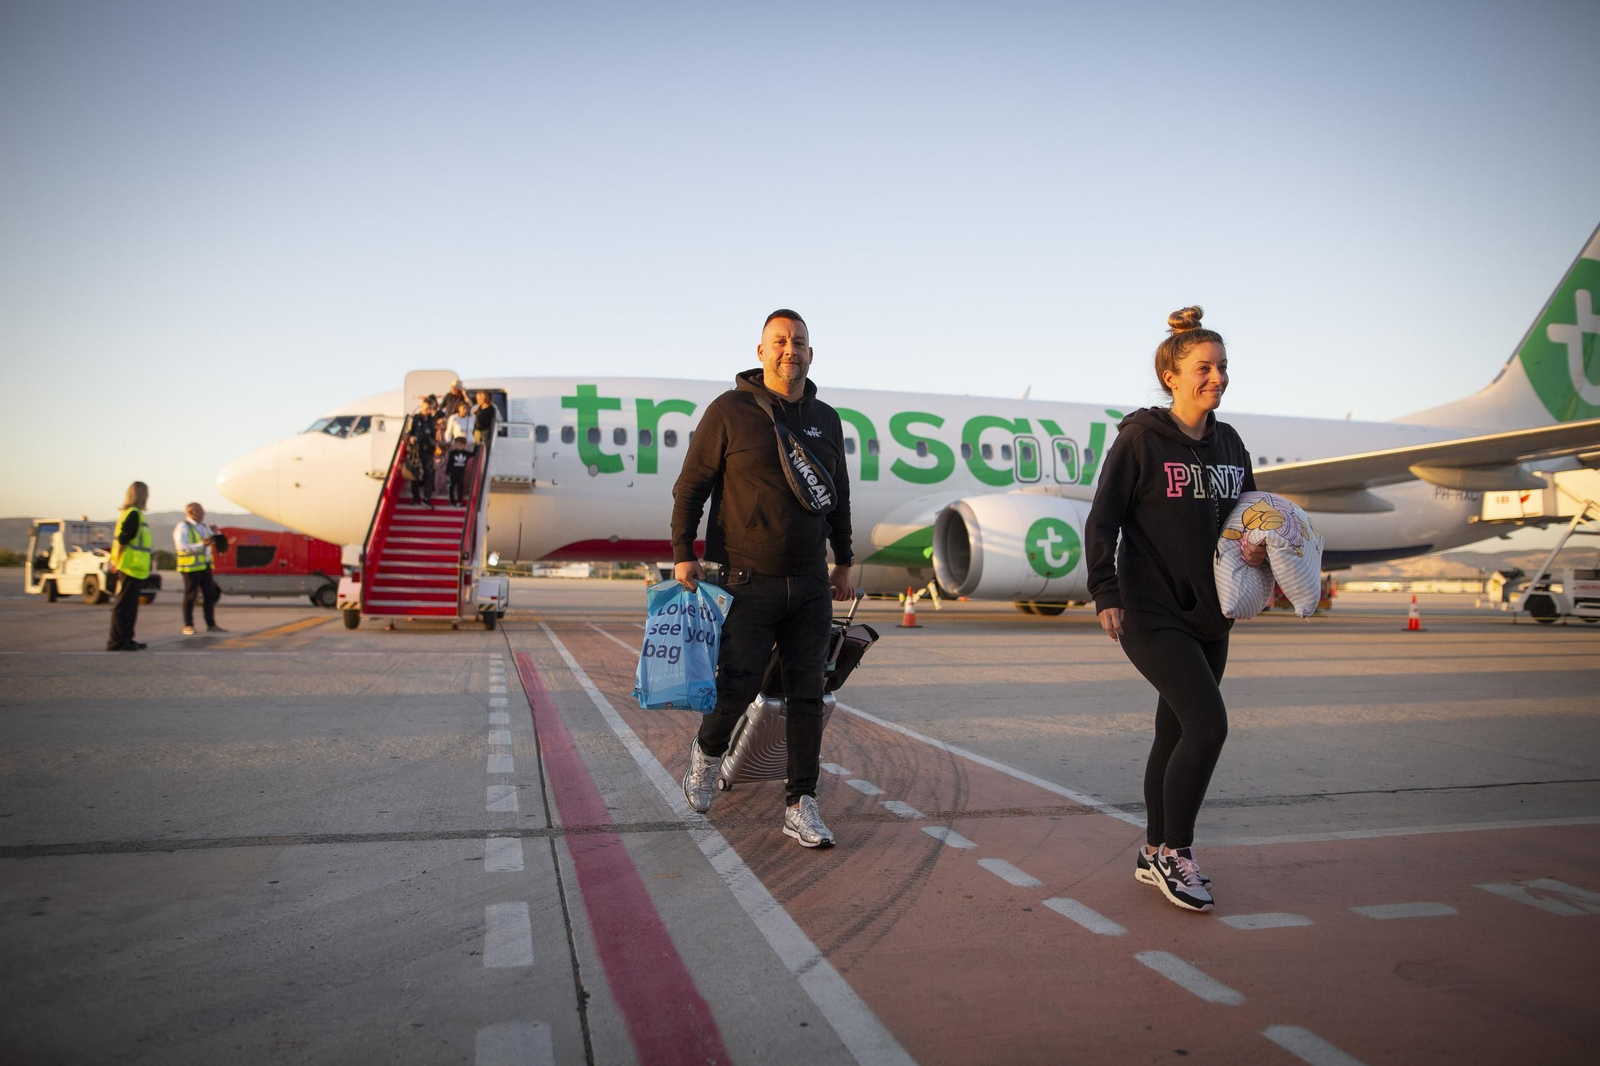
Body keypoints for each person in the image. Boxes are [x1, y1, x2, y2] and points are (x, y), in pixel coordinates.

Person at [1085, 306, 1265, 913]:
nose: (1216, 378)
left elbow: (1246, 517)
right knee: (1209, 725)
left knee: (1175, 729)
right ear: (1171, 375)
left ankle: (1152, 850)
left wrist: (1263, 550)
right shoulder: (1141, 439)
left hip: (1214, 611)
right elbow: (1102, 518)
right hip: (1150, 610)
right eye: (1203, 368)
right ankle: (1176, 853)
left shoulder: (1230, 441)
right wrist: (1105, 591)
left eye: (1222, 368)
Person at [671, 309, 854, 849]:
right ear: (760, 352)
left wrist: (842, 559)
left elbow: (836, 497)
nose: (788, 350)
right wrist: (684, 551)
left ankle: (801, 803)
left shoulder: (826, 419)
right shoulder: (728, 412)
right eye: (779, 341)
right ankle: (707, 755)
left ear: (810, 354)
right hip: (747, 580)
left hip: (810, 586)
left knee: (806, 699)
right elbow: (691, 487)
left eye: (798, 342)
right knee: (737, 684)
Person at [107, 481, 153, 651]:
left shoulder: (136, 514)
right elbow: (123, 540)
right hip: (129, 566)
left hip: (135, 568)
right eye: (146, 493)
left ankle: (127, 638)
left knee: (130, 606)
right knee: (124, 606)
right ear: (140, 495)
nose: (148, 496)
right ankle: (117, 641)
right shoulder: (133, 514)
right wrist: (116, 562)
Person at [174, 502, 226, 636]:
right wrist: (200, 546)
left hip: (204, 566)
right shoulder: (183, 527)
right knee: (190, 595)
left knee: (210, 594)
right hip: (190, 567)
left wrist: (216, 533)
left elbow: (217, 543)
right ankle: (188, 625)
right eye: (201, 512)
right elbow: (182, 547)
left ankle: (211, 624)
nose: (204, 514)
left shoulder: (204, 527)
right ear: (191, 513)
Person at [409, 399, 438, 504]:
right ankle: (415, 497)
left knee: (429, 474)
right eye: (426, 409)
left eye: (430, 409)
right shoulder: (416, 419)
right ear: (422, 408)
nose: (428, 411)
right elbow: (409, 433)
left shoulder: (431, 420)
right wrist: (411, 438)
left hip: (428, 450)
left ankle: (427, 498)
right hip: (417, 450)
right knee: (415, 474)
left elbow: (433, 434)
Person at [447, 437, 472, 505]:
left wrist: (477, 445)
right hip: (453, 472)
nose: (457, 445)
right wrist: (448, 470)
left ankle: (459, 501)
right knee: (451, 486)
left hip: (461, 472)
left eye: (459, 444)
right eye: (456, 444)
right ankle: (452, 500)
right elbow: (449, 462)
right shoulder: (452, 453)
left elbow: (473, 454)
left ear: (463, 445)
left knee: (460, 487)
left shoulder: (466, 453)